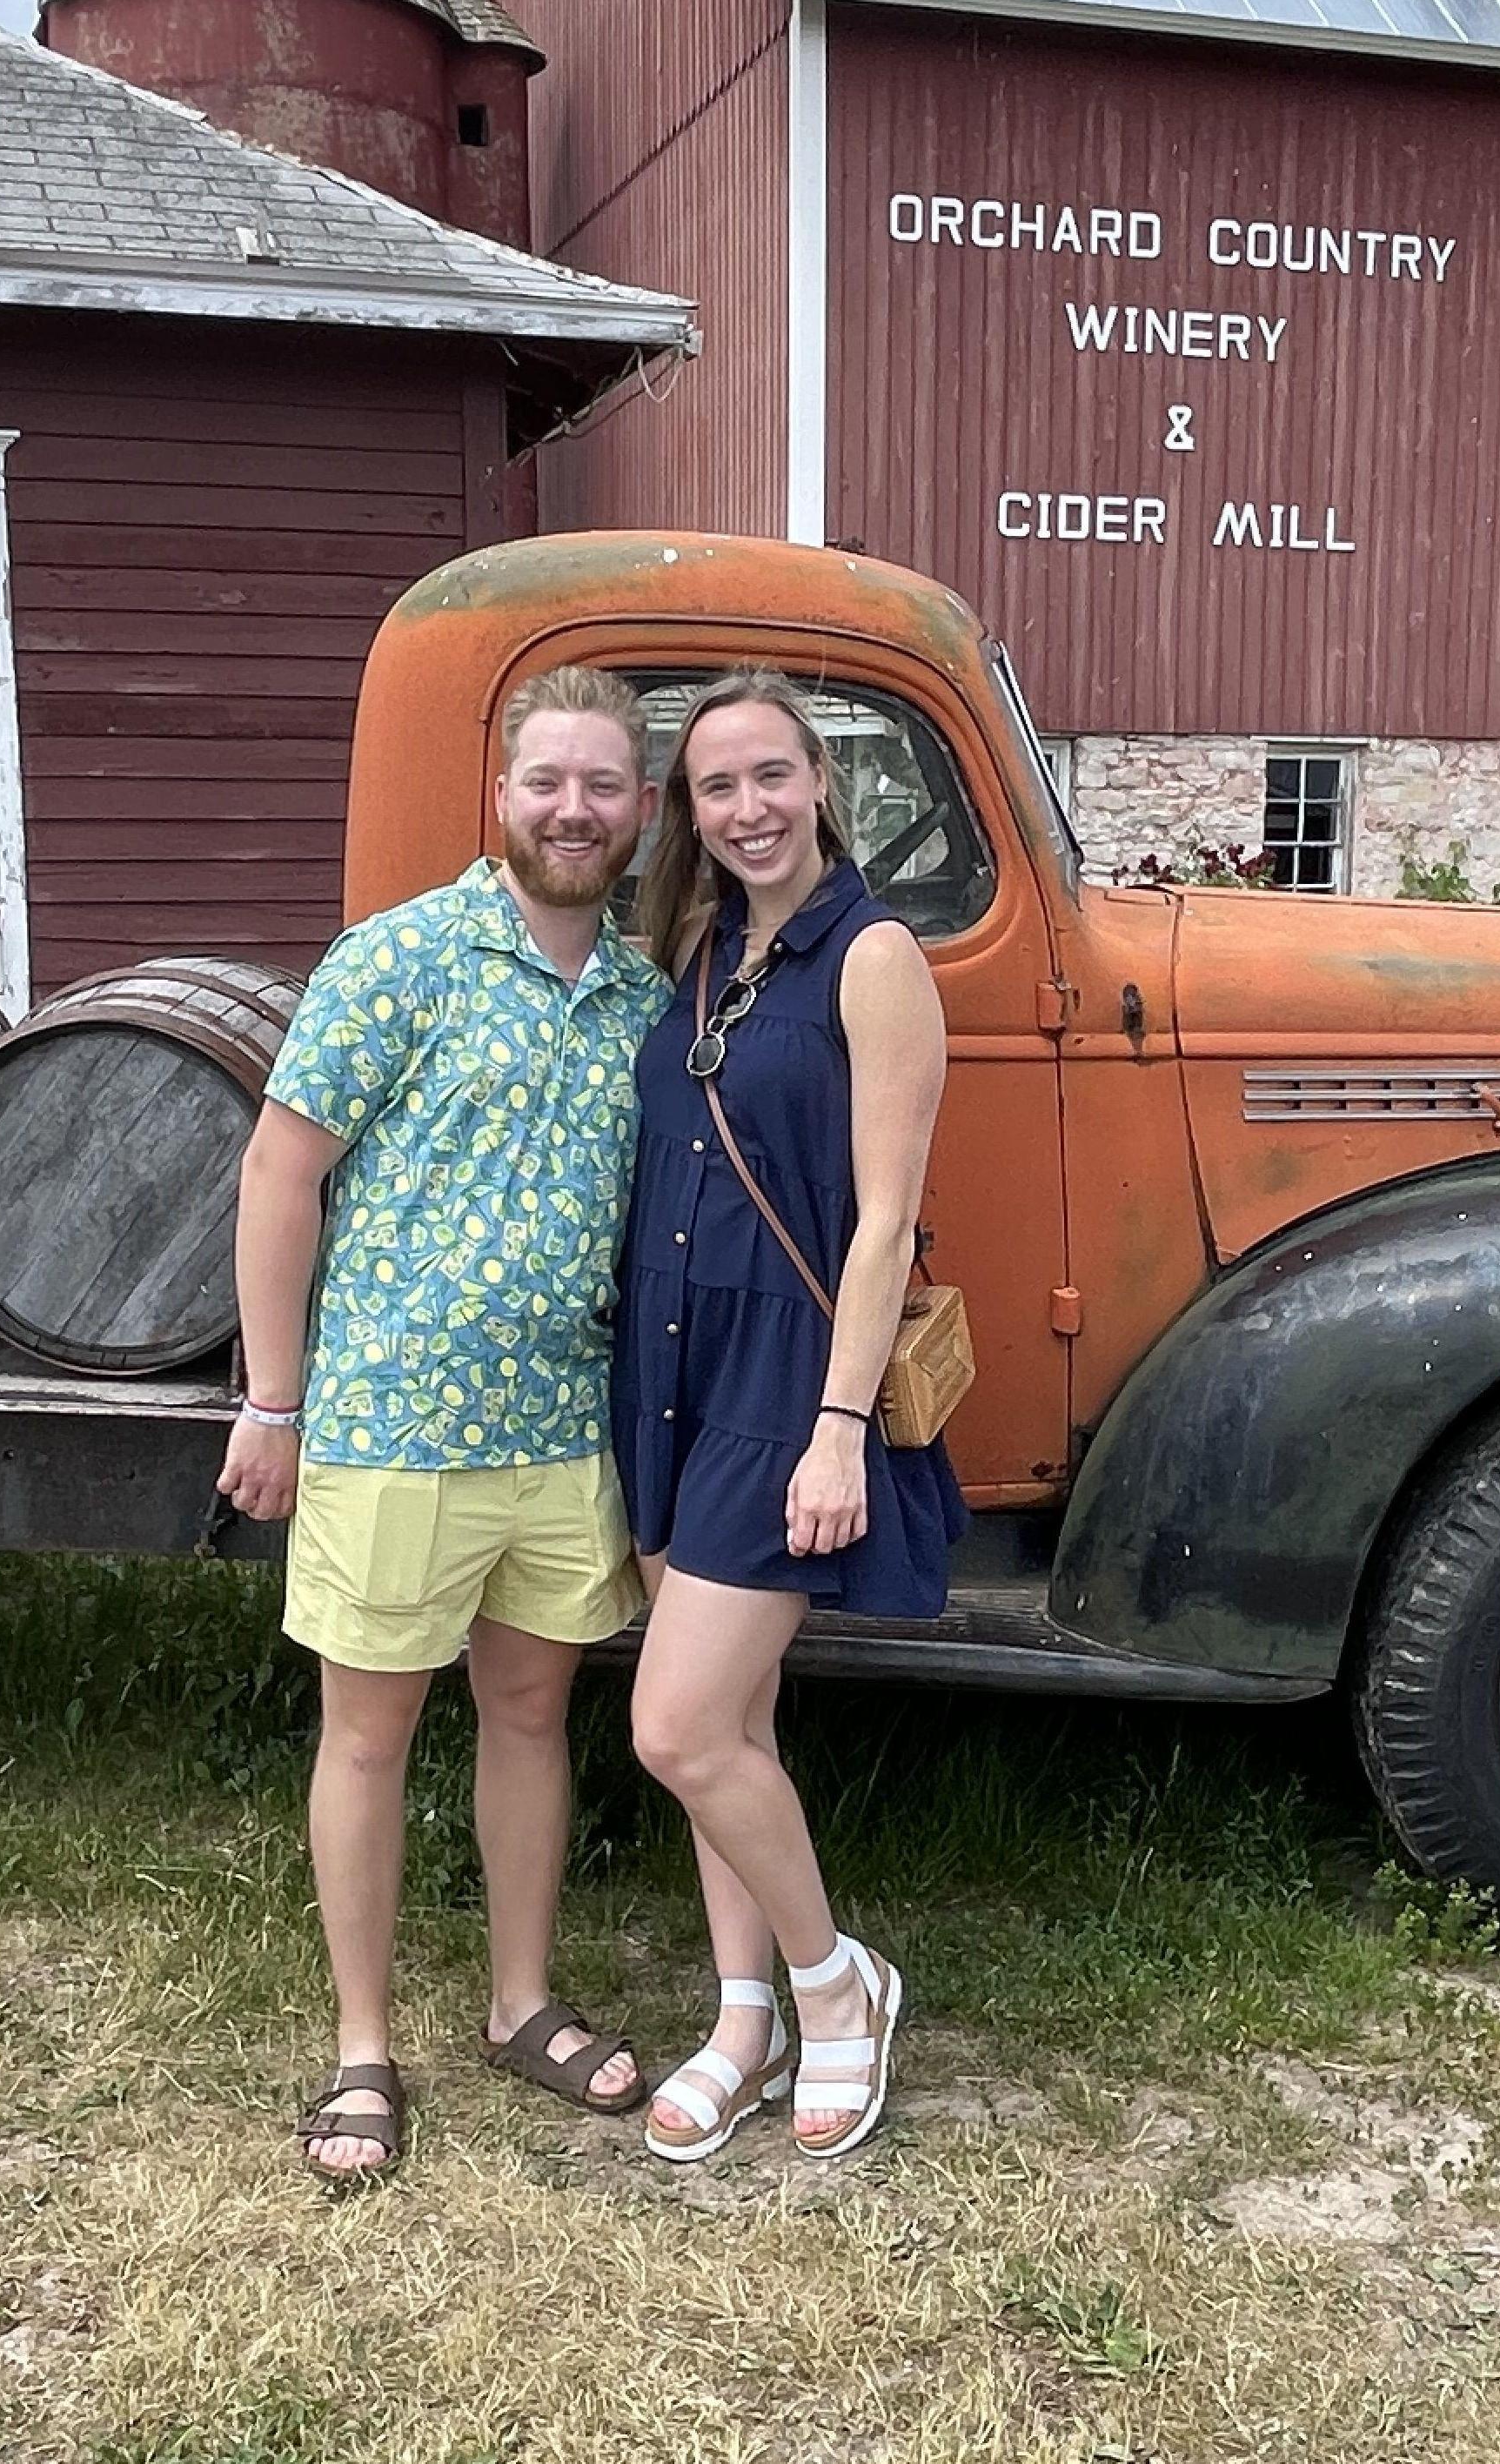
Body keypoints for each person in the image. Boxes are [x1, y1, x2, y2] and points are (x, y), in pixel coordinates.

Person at [216, 664, 669, 2186]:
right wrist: (272, 1399)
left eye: (600, 785)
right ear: (501, 793)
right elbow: (281, 1173)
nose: (571, 809)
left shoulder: (643, 1002)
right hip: (393, 1425)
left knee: (531, 1717)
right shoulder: (398, 958)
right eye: (547, 780)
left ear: (638, 808)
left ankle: (519, 2000)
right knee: (369, 1732)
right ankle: (361, 2043)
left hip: (559, 1428)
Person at [613, 668, 966, 2164]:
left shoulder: (871, 955)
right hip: (669, 1367)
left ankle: (836, 1987)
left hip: (782, 1378)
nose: (748, 807)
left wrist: (838, 1424)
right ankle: (741, 2015)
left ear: (819, 779)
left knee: (678, 1724)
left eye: (770, 775)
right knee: (735, 1724)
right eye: (717, 786)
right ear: (688, 811)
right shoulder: (705, 949)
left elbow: (885, 1222)